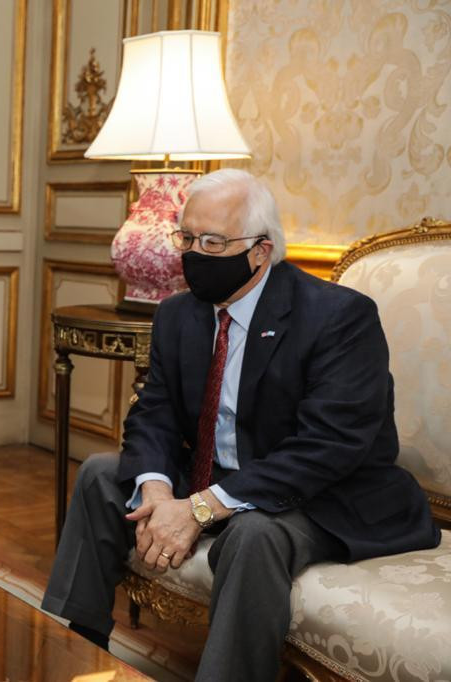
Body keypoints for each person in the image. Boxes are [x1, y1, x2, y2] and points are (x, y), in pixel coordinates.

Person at [41, 168, 440, 681]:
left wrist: (203, 508)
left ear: (260, 251)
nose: (193, 254)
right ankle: (72, 653)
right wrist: (160, 495)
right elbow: (154, 413)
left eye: (212, 241)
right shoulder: (178, 314)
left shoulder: (339, 317)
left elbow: (328, 447)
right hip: (220, 472)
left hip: (325, 492)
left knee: (254, 533)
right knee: (102, 475)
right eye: (186, 237)